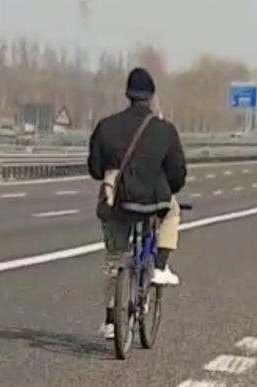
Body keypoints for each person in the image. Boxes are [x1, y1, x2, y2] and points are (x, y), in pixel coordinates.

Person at [87, 67, 187, 339]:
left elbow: (96, 169)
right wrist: (167, 189)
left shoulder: (106, 126)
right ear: (151, 96)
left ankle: (110, 321)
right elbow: (178, 172)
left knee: (115, 258)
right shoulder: (164, 130)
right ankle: (160, 267)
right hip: (154, 202)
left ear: (127, 94)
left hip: (118, 202)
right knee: (173, 211)